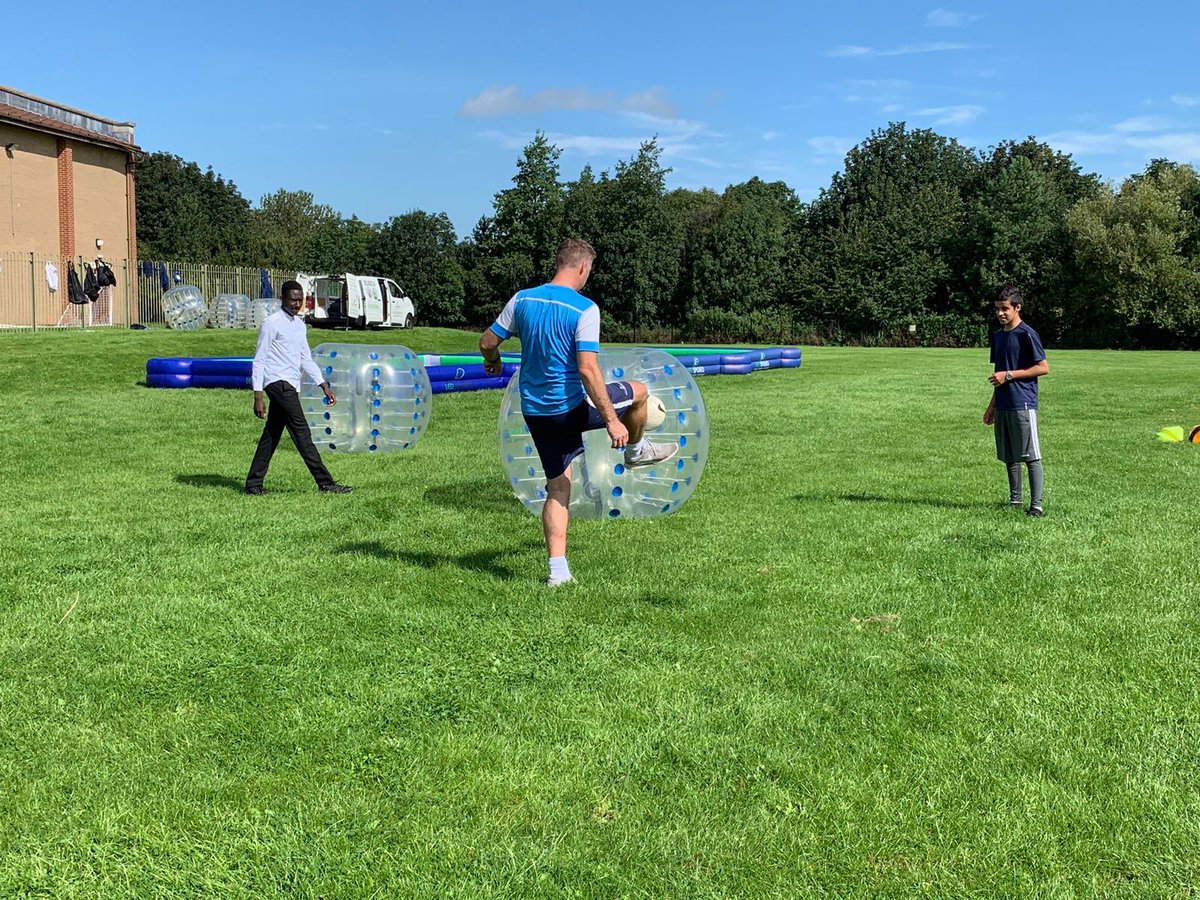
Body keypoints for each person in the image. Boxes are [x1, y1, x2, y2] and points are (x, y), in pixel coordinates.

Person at [480, 239, 677, 586]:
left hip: (535, 411)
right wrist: (613, 421)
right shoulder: (584, 309)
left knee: (558, 489)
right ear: (583, 267)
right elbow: (587, 369)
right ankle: (636, 451)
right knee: (639, 392)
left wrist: (492, 361)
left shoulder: (522, 299)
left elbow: (487, 342)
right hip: (570, 408)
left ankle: (558, 573)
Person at [244, 280, 352, 496]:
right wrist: (258, 395)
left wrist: (323, 385)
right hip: (277, 383)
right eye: (293, 300)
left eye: (300, 300)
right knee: (302, 432)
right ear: (283, 299)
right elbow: (260, 359)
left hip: (291, 384)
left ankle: (253, 485)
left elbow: (305, 359)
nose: (297, 304)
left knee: (272, 434)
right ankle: (326, 483)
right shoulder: (271, 323)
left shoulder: (300, 326)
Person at [983, 284, 1049, 517]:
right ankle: (1015, 501)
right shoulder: (998, 336)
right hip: (1003, 403)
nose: (1000, 313)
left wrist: (1009, 375)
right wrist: (992, 406)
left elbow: (1043, 367)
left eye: (1005, 309)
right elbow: (999, 374)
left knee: (1030, 456)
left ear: (1017, 307)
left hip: (1023, 402)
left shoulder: (1027, 334)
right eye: (997, 309)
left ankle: (1036, 506)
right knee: (1009, 455)